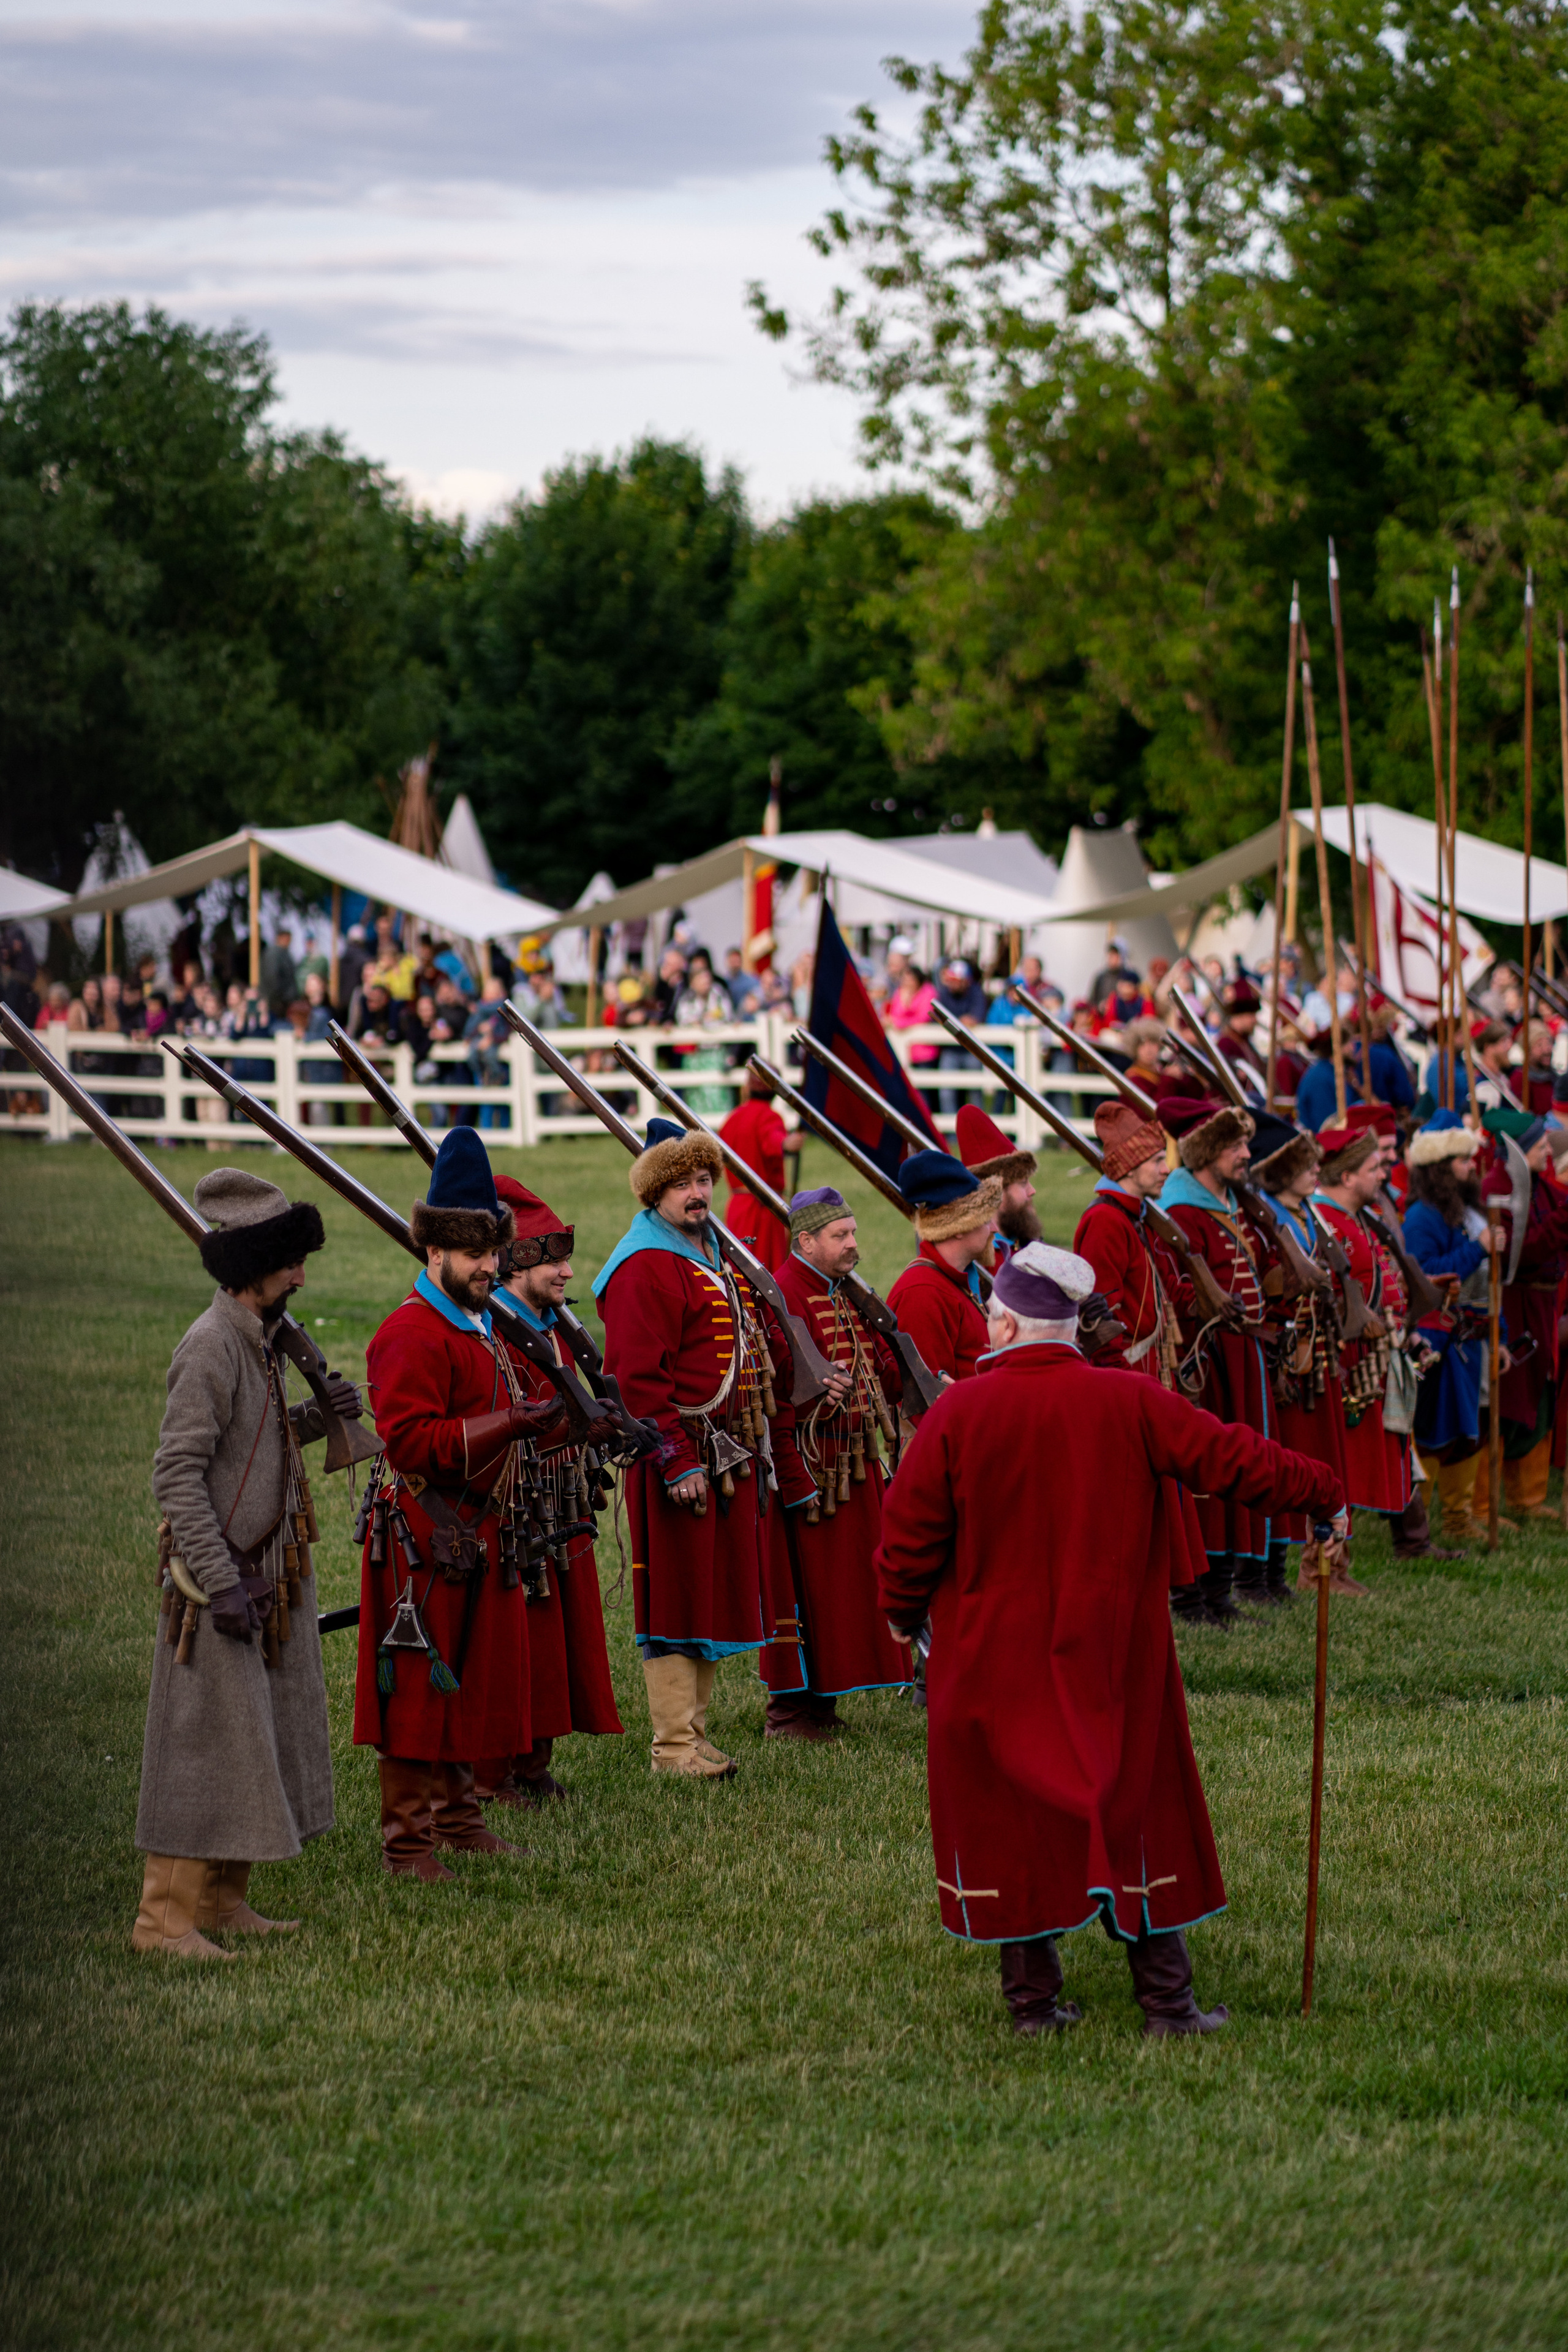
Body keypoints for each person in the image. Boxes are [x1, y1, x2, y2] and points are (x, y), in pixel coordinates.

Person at [875, 1239, 1344, 2040]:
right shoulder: (1130, 1400)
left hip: (990, 1653)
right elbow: (1234, 1458)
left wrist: (899, 1610)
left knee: (1014, 1816)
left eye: (995, 1317)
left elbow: (909, 1534)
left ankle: (1033, 2009)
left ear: (1015, 1328)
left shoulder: (958, 1411)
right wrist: (1323, 1493)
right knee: (1133, 1803)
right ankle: (1167, 2004)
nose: (989, 1326)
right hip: (1112, 1651)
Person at [137, 1170, 357, 1959]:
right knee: (204, 1744)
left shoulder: (255, 1339)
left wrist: (312, 1417)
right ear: (252, 1266)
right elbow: (177, 1473)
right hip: (218, 1578)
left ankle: (225, 1901)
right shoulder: (210, 1347)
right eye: (290, 1261)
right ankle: (162, 1922)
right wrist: (224, 1580)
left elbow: (251, 1443)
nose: (301, 1275)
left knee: (255, 1737)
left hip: (268, 1567)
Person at [353, 1130, 567, 1879]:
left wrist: (580, 1421)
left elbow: (511, 1410)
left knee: (471, 1683)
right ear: (434, 1251)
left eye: (492, 1252)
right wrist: (510, 1424)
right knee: (417, 1688)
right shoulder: (411, 1332)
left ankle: (459, 1820)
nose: (487, 1268)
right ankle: (406, 1845)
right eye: (472, 1254)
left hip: (479, 1531)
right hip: (424, 1535)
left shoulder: (480, 1323)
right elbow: (410, 1443)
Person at [594, 1117, 815, 1777]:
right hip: (682, 1455)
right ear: (652, 1194)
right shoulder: (645, 1268)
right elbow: (634, 1381)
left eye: (702, 1180)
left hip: (728, 1453)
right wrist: (675, 1459)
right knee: (674, 1597)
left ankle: (694, 1734)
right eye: (682, 1183)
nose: (698, 1194)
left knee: (709, 1595)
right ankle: (670, 1746)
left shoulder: (710, 1253)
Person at [476, 1177, 624, 1805]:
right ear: (518, 1262)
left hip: (559, 1497)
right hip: (517, 1502)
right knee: (514, 1639)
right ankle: (491, 1775)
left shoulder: (547, 1323)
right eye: (553, 1259)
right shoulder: (498, 1327)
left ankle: (533, 1763)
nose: (567, 1271)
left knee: (556, 1635)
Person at [759, 1188, 910, 1739]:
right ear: (806, 1241)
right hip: (813, 1466)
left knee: (845, 1592)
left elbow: (887, 1376)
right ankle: (792, 1712)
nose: (854, 1245)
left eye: (853, 1233)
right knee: (808, 1589)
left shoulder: (846, 1293)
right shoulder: (782, 1294)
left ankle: (821, 1707)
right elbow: (775, 1391)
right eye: (840, 1236)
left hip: (854, 1465)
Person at [1156, 1095, 1273, 1624]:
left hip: (1242, 1348)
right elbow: (1176, 1287)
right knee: (1211, 1473)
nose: (1246, 1154)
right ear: (1206, 1153)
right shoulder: (1182, 1212)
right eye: (1234, 1146)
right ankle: (1202, 1595)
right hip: (1207, 1354)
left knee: (1240, 1466)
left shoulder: (1227, 1203)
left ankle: (1224, 1590)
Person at [1311, 1121, 1412, 1581]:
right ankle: (1319, 1569)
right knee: (1334, 1466)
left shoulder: (1353, 1219)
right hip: (1338, 1359)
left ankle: (1338, 1566)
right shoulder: (1324, 1222)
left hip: (1363, 1358)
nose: (1382, 1176)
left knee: (1350, 1469)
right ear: (1348, 1176)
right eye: (1373, 1168)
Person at [1403, 1110, 1503, 1540]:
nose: (1471, 1167)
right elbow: (1423, 1274)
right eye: (1462, 1160)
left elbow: (1484, 1285)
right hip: (1441, 1336)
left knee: (1467, 1429)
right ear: (1440, 1166)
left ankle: (1460, 1517)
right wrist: (1477, 1249)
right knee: (1437, 1430)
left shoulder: (1463, 1210)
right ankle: (1420, 1521)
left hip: (1471, 1336)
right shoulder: (1423, 1217)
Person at [1476, 1106, 1568, 1524]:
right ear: (1520, 1149)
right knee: (1508, 1398)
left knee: (1540, 1391)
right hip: (1513, 1301)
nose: (1549, 1148)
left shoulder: (1538, 1183)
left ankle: (1527, 1495)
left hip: (1543, 1303)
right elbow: (1521, 1251)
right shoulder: (1498, 1186)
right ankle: (1482, 1503)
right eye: (1541, 1143)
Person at [886, 1150, 1000, 1385]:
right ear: (959, 1226)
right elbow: (925, 1405)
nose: (995, 1228)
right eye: (986, 1219)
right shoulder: (924, 1293)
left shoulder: (956, 1280)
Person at [720, 1062, 794, 1271]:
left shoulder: (732, 1118)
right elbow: (774, 1143)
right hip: (764, 1211)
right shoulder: (769, 1117)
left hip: (737, 1206)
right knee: (767, 1273)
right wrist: (788, 1144)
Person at [952, 1103, 1039, 1264]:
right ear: (995, 1190)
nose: (1032, 1190)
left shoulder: (1023, 1245)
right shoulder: (984, 1264)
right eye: (1023, 1183)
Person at [935, 956, 988, 1116]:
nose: (952, 983)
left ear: (966, 981)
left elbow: (974, 1018)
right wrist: (960, 1021)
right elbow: (937, 1017)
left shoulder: (976, 993)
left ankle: (979, 1131)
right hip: (951, 1049)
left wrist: (955, 1021)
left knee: (975, 1092)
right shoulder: (944, 994)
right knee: (946, 1091)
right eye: (951, 980)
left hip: (971, 1050)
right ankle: (952, 1135)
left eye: (956, 980)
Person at [260, 926, 299, 1015]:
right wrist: (279, 999)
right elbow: (272, 977)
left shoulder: (284, 953)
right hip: (277, 1003)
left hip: (284, 1002)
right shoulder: (273, 954)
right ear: (280, 938)